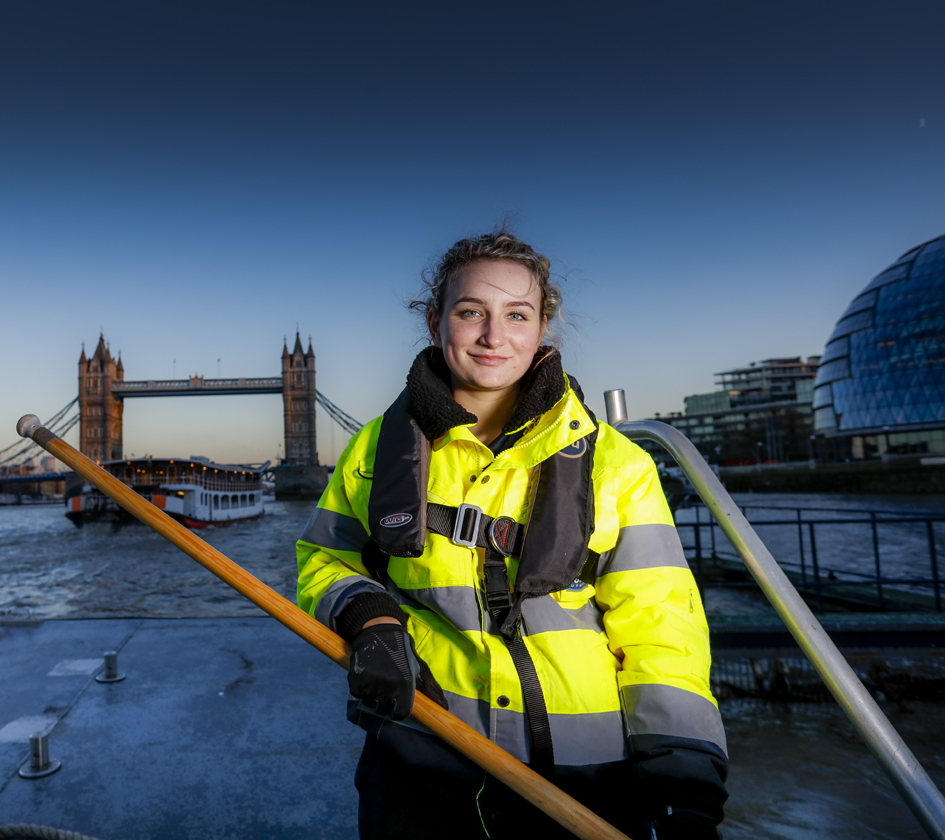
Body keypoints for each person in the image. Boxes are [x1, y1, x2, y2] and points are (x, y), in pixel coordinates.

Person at [296, 231, 728, 839]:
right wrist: (370, 620)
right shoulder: (372, 451)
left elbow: (662, 628)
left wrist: (684, 778)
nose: (493, 336)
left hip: (584, 778)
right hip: (421, 757)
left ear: (541, 327)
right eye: (471, 311)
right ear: (435, 320)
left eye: (516, 315)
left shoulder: (618, 465)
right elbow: (326, 560)